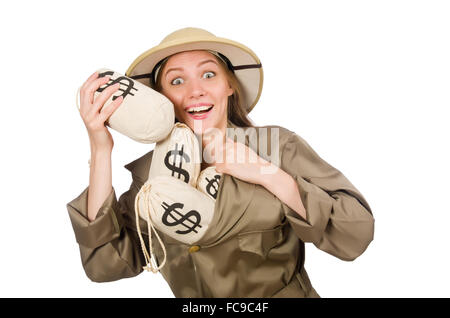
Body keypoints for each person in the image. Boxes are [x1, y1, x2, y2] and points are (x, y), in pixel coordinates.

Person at [67, 27, 375, 298]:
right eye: (176, 81)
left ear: (229, 85)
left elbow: (355, 234)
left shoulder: (275, 147)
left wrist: (267, 174)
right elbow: (105, 264)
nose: (195, 90)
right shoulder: (149, 175)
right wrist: (100, 149)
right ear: (161, 98)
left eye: (209, 74)